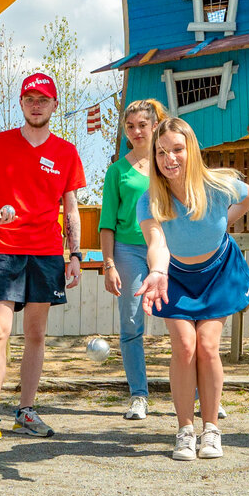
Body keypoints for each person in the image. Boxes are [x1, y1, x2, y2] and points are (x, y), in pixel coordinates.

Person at [0, 72, 86, 441]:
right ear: (21, 102)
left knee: (36, 333)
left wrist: (74, 254)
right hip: (2, 249)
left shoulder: (66, 152)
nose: (36, 104)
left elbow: (71, 209)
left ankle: (26, 412)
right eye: (30, 98)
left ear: (54, 105)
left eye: (43, 99)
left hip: (46, 253)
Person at [136, 117, 249, 461]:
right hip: (173, 277)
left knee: (207, 345)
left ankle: (211, 429)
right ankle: (185, 430)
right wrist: (157, 270)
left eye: (177, 149)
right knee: (185, 346)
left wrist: (224, 223)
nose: (169, 158)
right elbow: (156, 241)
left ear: (191, 150)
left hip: (218, 272)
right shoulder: (150, 200)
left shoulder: (220, 185)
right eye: (161, 152)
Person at [99, 98, 167, 421]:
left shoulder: (168, 163)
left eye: (142, 125)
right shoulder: (117, 171)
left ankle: (200, 396)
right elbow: (106, 223)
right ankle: (138, 395)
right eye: (130, 126)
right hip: (127, 250)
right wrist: (109, 263)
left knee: (184, 322)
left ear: (155, 126)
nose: (136, 131)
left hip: (167, 249)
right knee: (130, 325)